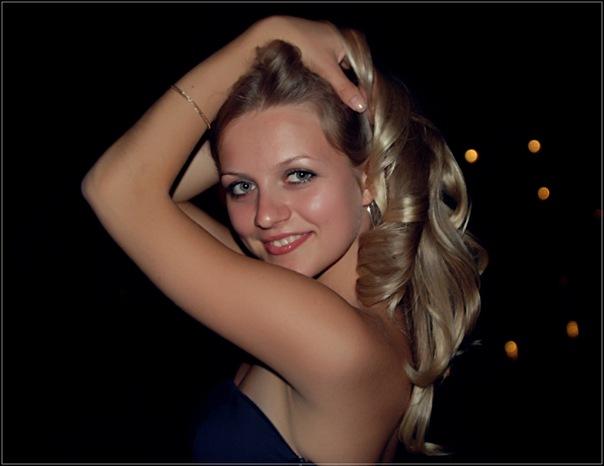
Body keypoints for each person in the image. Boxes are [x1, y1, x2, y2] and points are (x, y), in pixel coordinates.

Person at [82, 15, 487, 463]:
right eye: (241, 186)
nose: (265, 215)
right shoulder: (343, 314)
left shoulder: (335, 343)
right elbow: (163, 195)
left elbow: (117, 188)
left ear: (368, 177)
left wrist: (263, 38)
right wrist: (259, 129)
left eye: (298, 175)